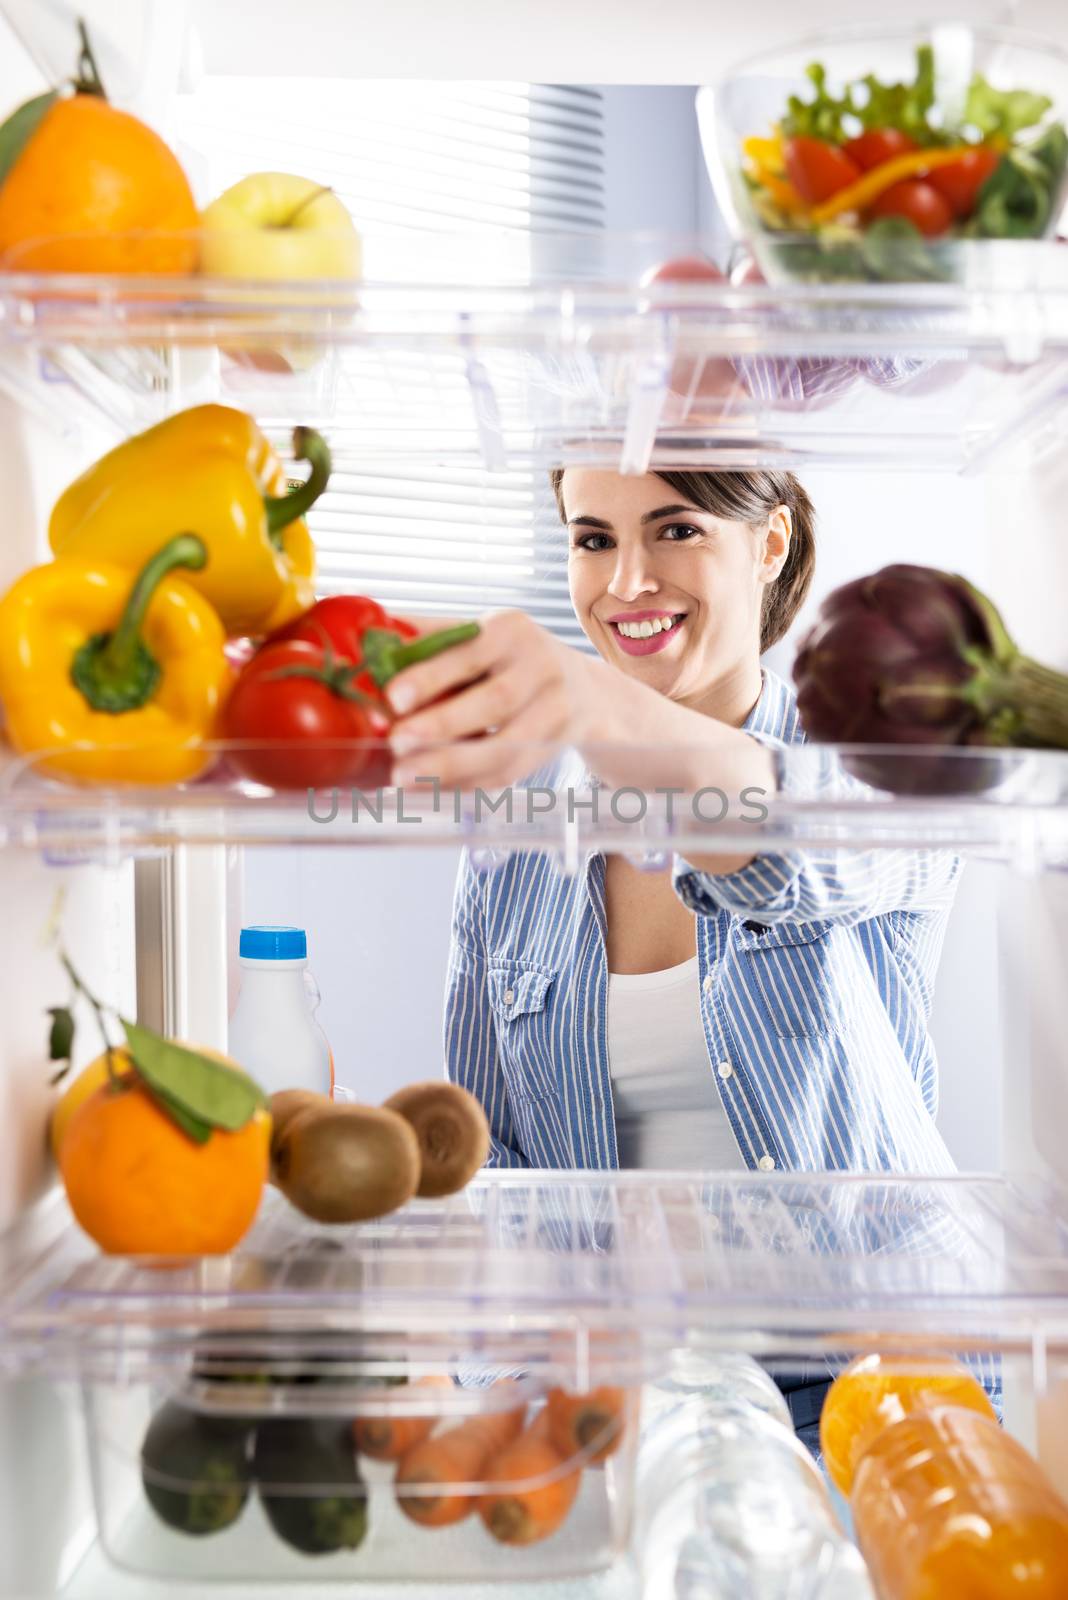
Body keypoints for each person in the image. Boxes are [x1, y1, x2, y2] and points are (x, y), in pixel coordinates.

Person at [383, 465, 971, 1451]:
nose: (625, 584)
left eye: (676, 529)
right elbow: (503, 1162)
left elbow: (779, 844)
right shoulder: (519, 829)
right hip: (619, 1391)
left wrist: (585, 699)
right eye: (593, 539)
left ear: (769, 542)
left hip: (873, 1381)